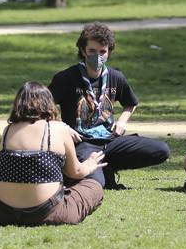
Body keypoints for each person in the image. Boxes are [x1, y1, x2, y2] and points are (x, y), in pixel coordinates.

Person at [47, 22, 171, 189]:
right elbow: (43, 109)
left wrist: (122, 122)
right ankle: (80, 169)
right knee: (97, 183)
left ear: (109, 52)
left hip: (111, 141)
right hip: (82, 142)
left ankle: (108, 165)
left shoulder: (116, 77)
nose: (97, 56)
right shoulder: (65, 78)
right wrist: (63, 128)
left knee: (161, 150)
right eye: (92, 51)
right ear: (83, 51)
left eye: (102, 52)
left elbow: (130, 103)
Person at [0, 82, 106, 227]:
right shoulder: (58, 129)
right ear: (48, 103)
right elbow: (76, 172)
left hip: (0, 213)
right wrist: (91, 164)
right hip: (45, 213)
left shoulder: (8, 130)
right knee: (93, 186)